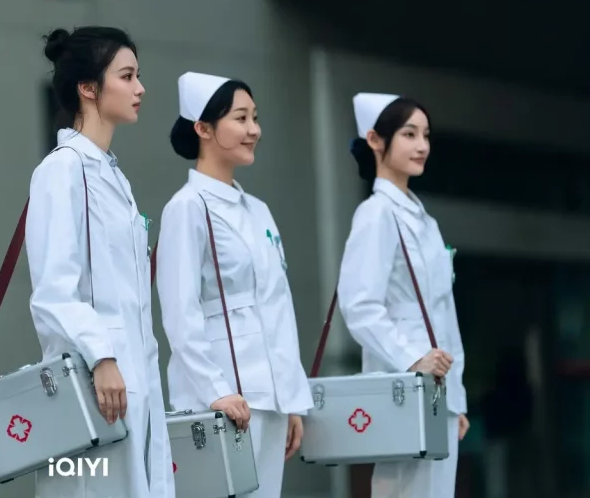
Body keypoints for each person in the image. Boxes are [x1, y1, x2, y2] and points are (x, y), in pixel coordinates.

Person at [25, 26, 173, 498]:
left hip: (132, 381)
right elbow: (53, 290)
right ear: (88, 88)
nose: (140, 88)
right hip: (93, 380)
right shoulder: (62, 169)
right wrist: (102, 356)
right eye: (126, 77)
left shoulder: (113, 176)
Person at [155, 72, 312, 497]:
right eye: (240, 118)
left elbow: (278, 306)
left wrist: (291, 399)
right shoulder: (187, 207)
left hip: (270, 399)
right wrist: (216, 391)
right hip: (223, 398)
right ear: (203, 129)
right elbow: (179, 311)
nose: (254, 129)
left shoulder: (259, 210)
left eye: (255, 118)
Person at [338, 92, 469, 498]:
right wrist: (412, 358)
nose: (422, 145)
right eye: (409, 134)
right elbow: (359, 306)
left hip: (438, 392)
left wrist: (457, 398)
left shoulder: (424, 219)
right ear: (375, 140)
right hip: (403, 387)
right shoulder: (376, 213)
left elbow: (444, 311)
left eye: (426, 135)